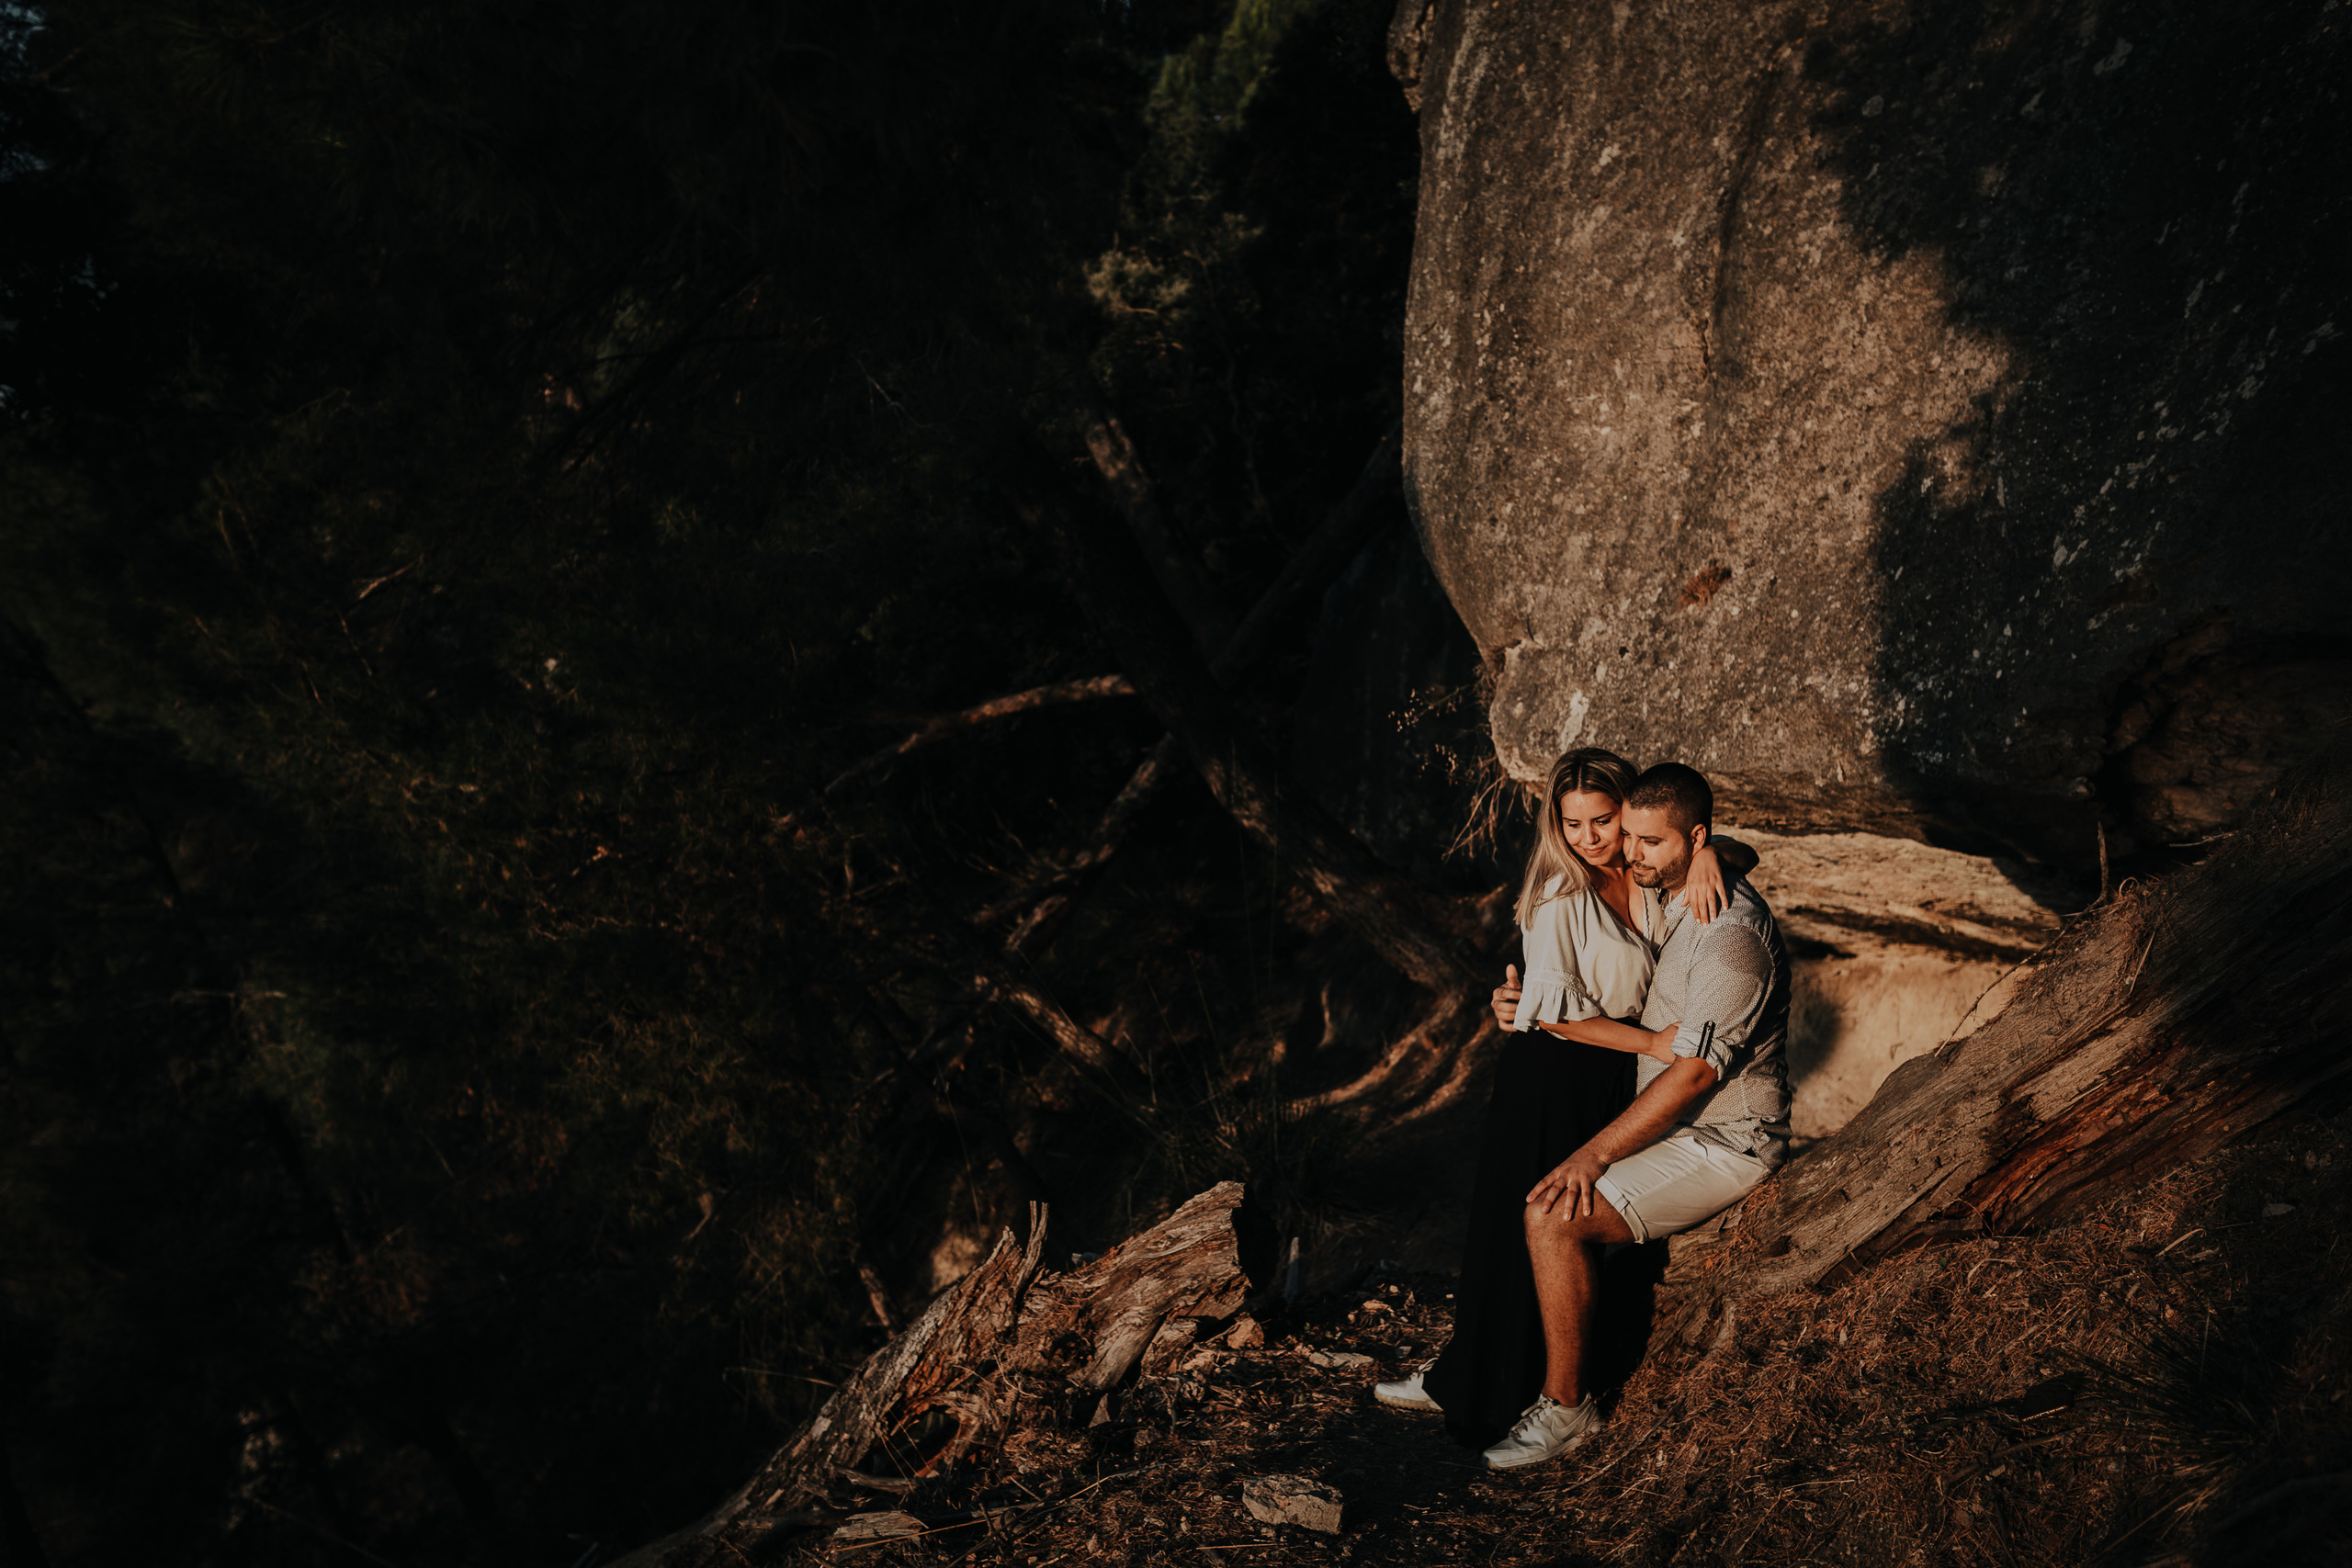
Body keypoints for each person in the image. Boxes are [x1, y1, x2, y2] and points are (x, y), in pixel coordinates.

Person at [1373, 749, 1759, 1460]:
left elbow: (1706, 844)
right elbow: (1550, 1015)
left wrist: (1716, 857)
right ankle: (1478, 1383)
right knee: (1516, 1223)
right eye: (1570, 821)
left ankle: (1498, 1368)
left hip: (1613, 1078)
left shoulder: (1645, 876)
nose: (1587, 836)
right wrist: (1653, 1041)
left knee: (1571, 1226)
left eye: (1602, 820)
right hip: (1552, 1074)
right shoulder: (1559, 889)